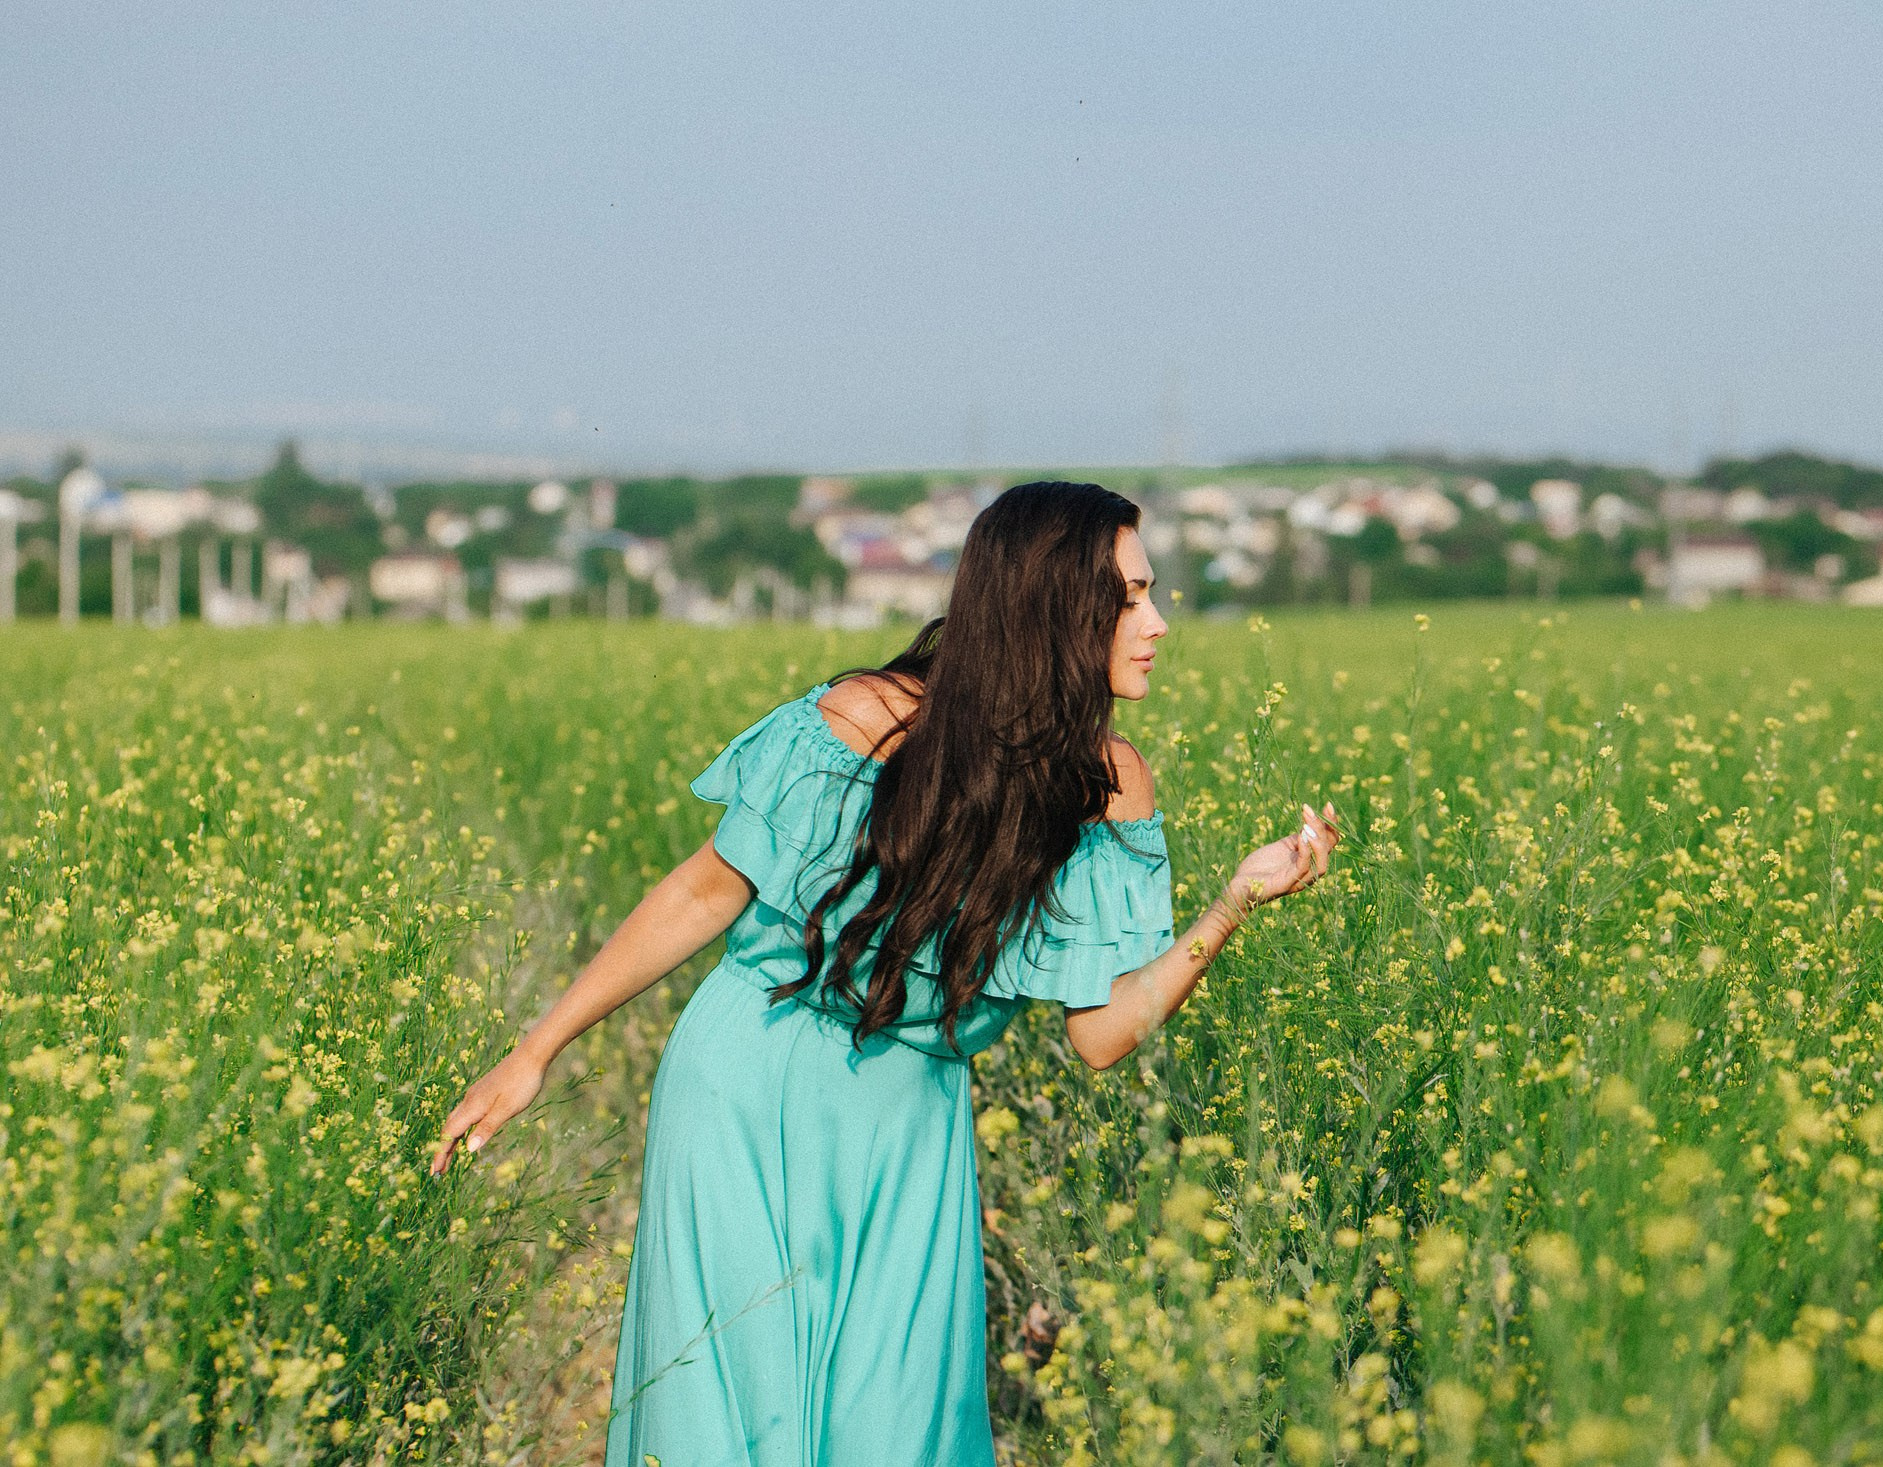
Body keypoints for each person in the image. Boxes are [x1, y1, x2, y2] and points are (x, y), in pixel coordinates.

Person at [432, 481, 1340, 1465]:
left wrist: (1234, 903)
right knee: (723, 1423)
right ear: (1049, 608)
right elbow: (705, 893)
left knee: (897, 1434)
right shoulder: (862, 718)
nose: (1157, 621)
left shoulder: (1108, 785)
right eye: (1128, 595)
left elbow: (1102, 1032)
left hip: (906, 1130)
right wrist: (538, 1049)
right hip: (740, 1093)